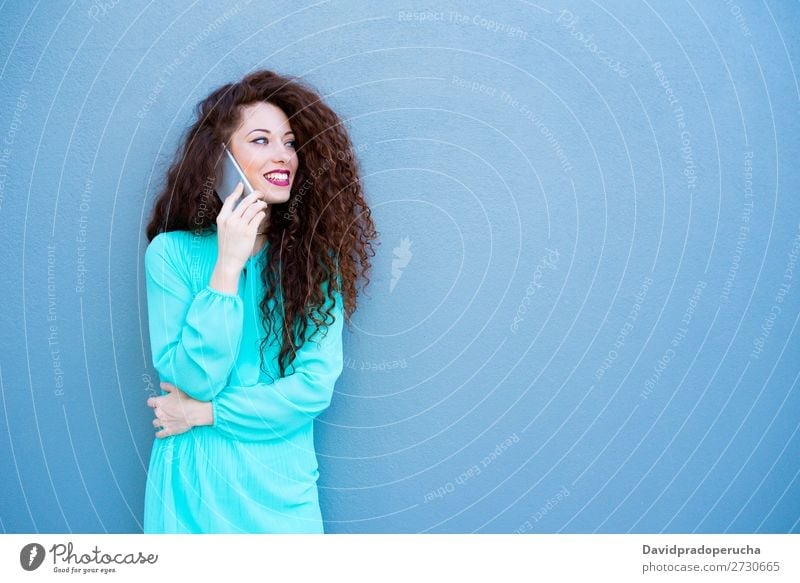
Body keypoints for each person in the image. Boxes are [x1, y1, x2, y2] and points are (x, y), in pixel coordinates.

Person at [141, 70, 377, 533]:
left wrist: (205, 413)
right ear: (221, 159)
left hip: (282, 492)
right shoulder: (170, 254)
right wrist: (227, 268)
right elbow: (194, 377)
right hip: (196, 492)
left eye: (289, 143)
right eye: (261, 140)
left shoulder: (314, 263)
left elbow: (312, 388)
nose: (283, 156)